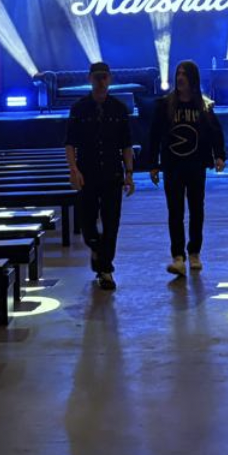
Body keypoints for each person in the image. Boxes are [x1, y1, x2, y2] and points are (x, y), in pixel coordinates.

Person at [148, 60, 226, 276]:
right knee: (175, 211)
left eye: (184, 74)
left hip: (195, 164)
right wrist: (152, 164)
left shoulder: (203, 105)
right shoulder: (165, 105)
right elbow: (154, 136)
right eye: (178, 73)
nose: (180, 77)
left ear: (192, 78)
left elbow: (215, 132)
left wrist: (219, 155)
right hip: (172, 165)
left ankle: (194, 253)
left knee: (196, 210)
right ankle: (178, 257)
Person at [65, 62, 135, 290]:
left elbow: (126, 145)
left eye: (104, 77)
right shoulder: (79, 108)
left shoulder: (118, 109)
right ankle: (96, 248)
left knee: (112, 222)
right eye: (97, 77)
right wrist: (73, 169)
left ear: (110, 79)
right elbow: (70, 143)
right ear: (90, 79)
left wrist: (129, 173)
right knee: (87, 223)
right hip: (88, 172)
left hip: (112, 173)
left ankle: (106, 269)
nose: (101, 81)